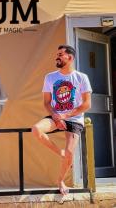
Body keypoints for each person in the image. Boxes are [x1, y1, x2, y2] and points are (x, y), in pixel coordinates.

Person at [32, 45, 92, 196]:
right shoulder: (50, 77)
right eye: (57, 54)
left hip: (74, 119)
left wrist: (65, 116)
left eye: (60, 55)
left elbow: (86, 104)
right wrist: (56, 116)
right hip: (55, 116)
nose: (56, 57)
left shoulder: (81, 77)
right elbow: (46, 102)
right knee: (36, 129)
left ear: (70, 58)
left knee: (71, 152)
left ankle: (60, 180)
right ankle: (61, 153)